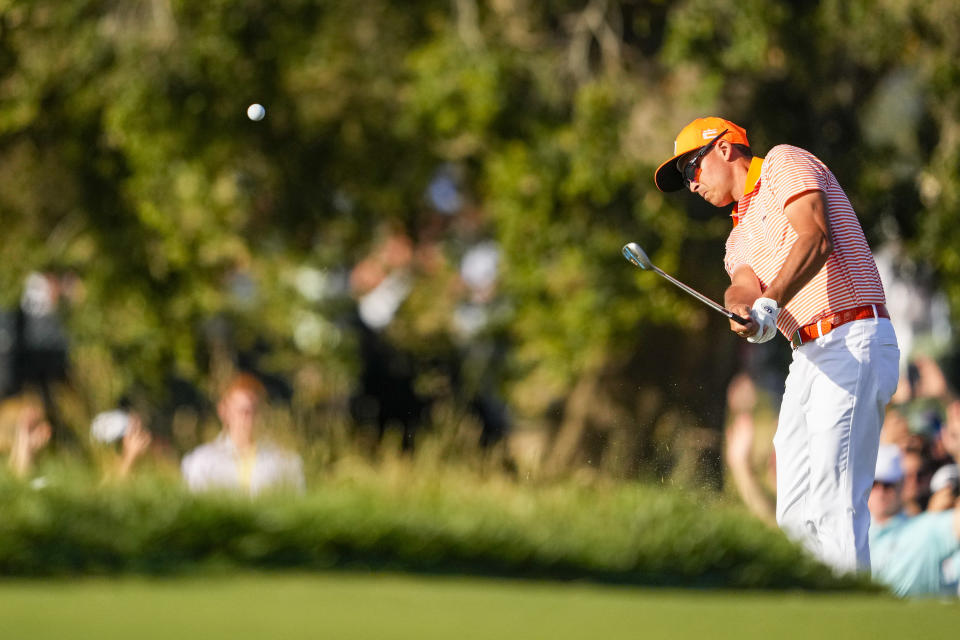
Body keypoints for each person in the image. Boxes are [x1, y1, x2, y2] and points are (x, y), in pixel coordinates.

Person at [655, 117, 900, 573]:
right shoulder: (736, 237)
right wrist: (744, 313)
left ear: (725, 149)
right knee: (793, 506)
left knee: (834, 495)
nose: (691, 185)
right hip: (808, 356)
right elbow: (743, 286)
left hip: (853, 336)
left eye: (691, 168)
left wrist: (770, 301)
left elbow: (816, 237)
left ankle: (848, 620)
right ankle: (810, 611)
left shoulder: (784, 163)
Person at [181, 373, 304, 496]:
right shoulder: (201, 462)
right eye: (242, 411)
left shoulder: (286, 463)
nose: (248, 418)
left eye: (253, 410)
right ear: (224, 411)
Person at [869, 444, 960, 597]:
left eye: (888, 485)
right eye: (874, 484)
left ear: (902, 484)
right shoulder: (849, 530)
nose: (880, 492)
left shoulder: (924, 528)